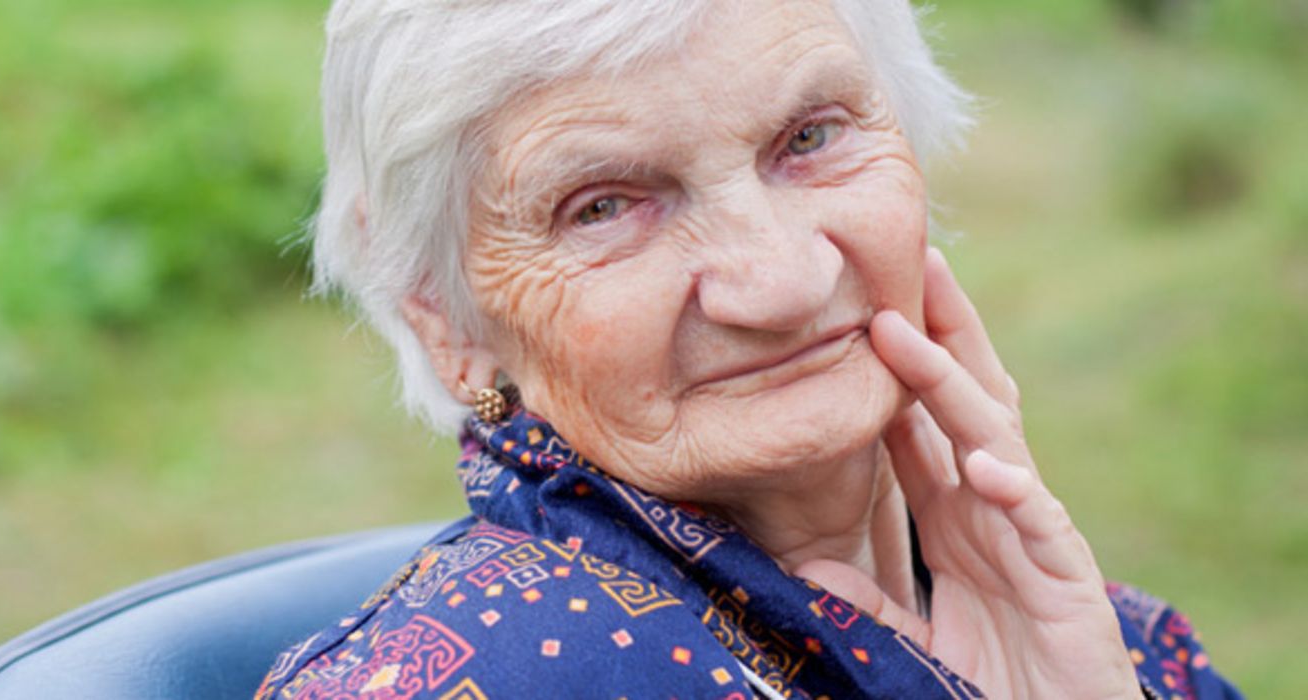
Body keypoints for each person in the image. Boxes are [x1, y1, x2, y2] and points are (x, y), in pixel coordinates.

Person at [257, 0, 1243, 697]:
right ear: (445, 321)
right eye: (603, 205)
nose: (780, 283)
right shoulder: (461, 679)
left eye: (808, 139)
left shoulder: (1116, 646)